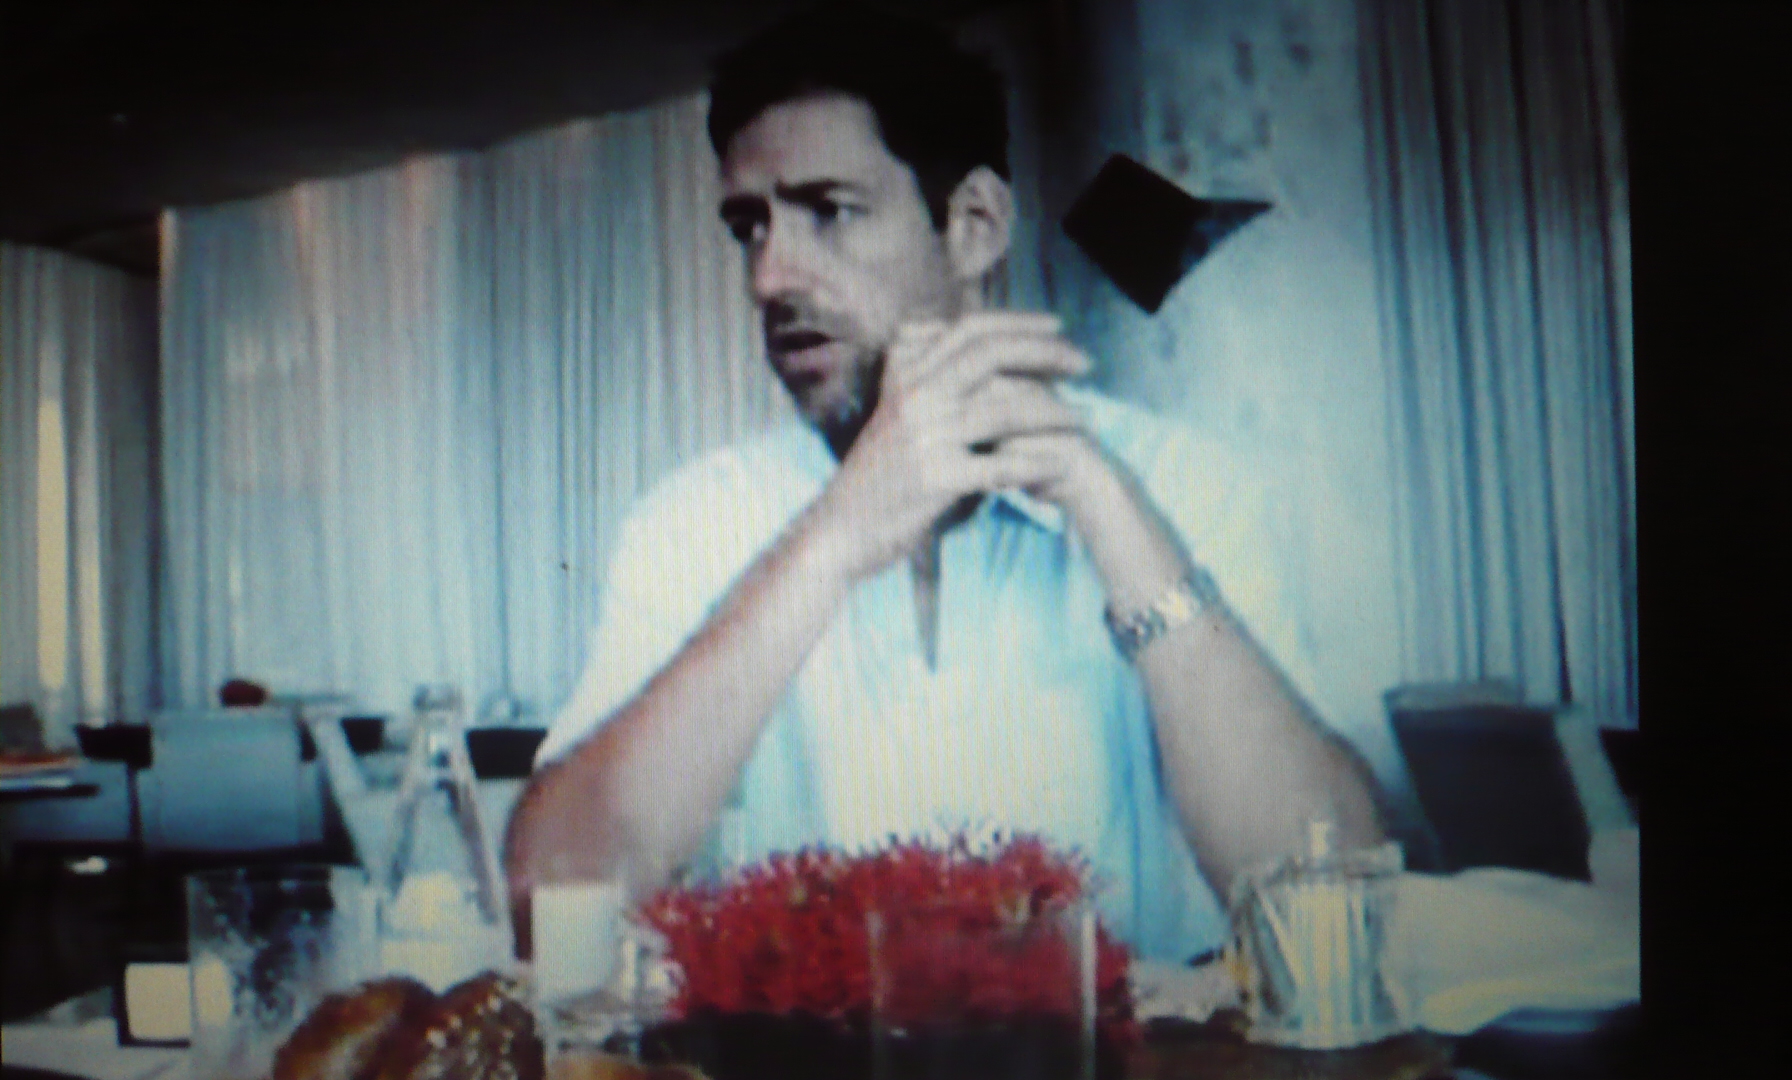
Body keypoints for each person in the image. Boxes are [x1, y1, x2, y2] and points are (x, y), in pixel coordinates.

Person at [504, 2, 1383, 961]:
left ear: (972, 227)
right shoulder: (692, 519)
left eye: (829, 212)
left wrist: (1110, 512)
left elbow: (1342, 915)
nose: (768, 278)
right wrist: (836, 537)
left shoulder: (1181, 484)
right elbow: (549, 902)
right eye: (750, 227)